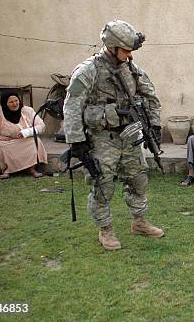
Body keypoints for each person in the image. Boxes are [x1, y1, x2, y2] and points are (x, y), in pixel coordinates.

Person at [63, 20, 164, 251]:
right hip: (102, 138)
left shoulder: (130, 68)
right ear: (112, 46)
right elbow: (71, 106)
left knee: (139, 180)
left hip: (129, 136)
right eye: (125, 50)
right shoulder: (88, 70)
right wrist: (76, 140)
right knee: (103, 186)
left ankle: (140, 222)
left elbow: (151, 96)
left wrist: (155, 126)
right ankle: (106, 230)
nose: (129, 54)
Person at [0, 90, 48, 179]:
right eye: (11, 102)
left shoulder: (27, 110)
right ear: (5, 103)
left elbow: (41, 126)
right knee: (1, 145)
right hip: (7, 140)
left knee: (35, 141)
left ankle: (32, 169)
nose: (15, 104)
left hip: (24, 138)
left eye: (16, 101)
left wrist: (26, 132)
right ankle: (7, 170)